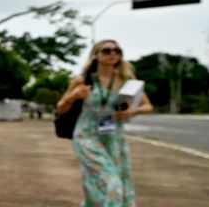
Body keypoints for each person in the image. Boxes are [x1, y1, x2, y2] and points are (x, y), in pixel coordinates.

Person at [56, 39, 152, 206]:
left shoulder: (127, 81)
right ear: (95, 55)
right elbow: (61, 108)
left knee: (99, 182)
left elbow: (148, 106)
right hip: (87, 135)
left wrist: (133, 111)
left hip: (114, 137)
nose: (113, 54)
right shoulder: (83, 80)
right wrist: (74, 96)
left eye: (117, 50)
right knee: (111, 180)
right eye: (107, 51)